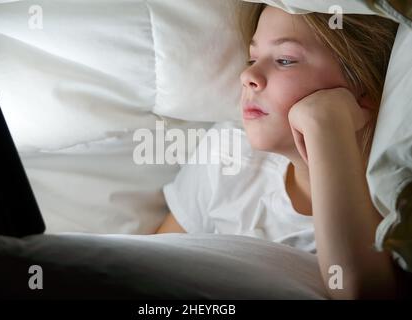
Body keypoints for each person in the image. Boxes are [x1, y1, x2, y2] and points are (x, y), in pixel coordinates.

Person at [156, 3, 403, 299]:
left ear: (364, 94)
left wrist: (326, 127)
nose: (248, 75)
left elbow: (362, 292)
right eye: (252, 58)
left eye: (285, 60)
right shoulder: (227, 152)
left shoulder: (394, 213)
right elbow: (148, 264)